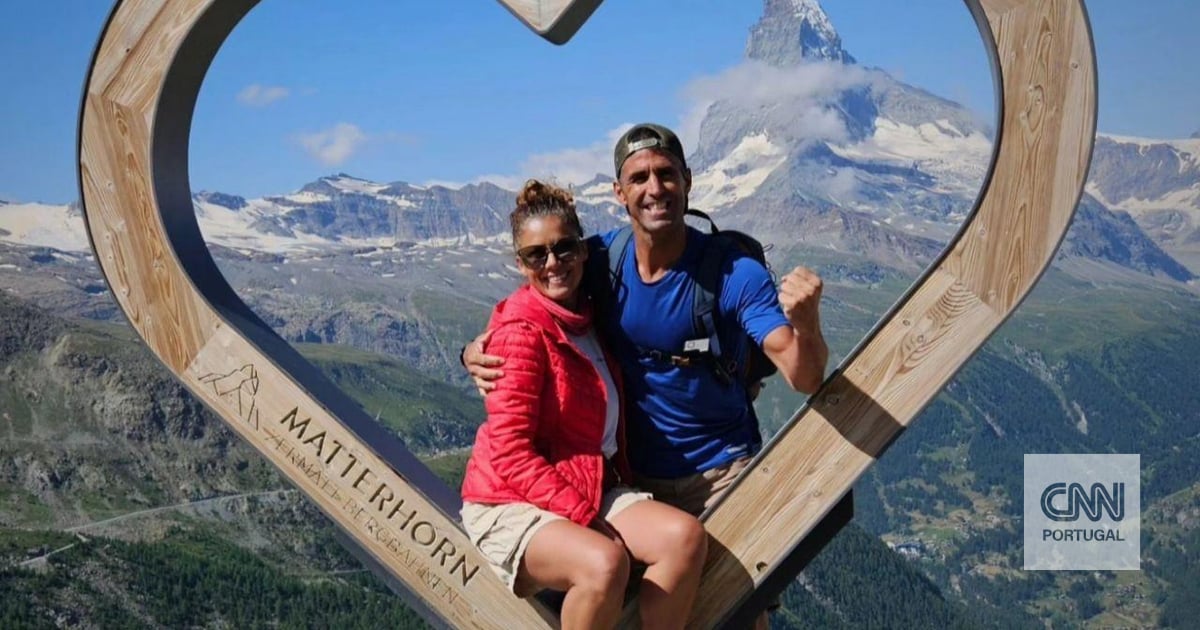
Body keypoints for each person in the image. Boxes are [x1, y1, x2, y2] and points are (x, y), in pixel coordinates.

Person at [465, 124, 829, 626]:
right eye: (639, 177)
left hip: (719, 476)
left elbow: (804, 375)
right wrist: (476, 349)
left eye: (665, 174)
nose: (653, 188)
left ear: (687, 180)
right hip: (633, 482)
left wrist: (806, 325)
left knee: (740, 615)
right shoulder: (598, 262)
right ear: (620, 192)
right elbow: (530, 305)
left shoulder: (732, 273)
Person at [459, 179, 707, 630]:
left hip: (586, 483)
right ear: (521, 264)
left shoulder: (587, 315)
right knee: (603, 563)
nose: (553, 263)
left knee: (683, 539)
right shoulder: (522, 333)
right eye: (537, 255)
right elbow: (511, 454)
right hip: (510, 502)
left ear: (583, 250)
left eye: (564, 248)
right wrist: (584, 516)